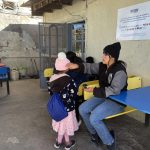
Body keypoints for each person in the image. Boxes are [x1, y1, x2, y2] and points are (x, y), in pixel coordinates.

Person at [67, 42, 127, 150]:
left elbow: (114, 90)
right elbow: (89, 67)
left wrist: (94, 90)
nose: (102, 56)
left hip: (117, 100)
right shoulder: (102, 66)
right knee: (82, 109)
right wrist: (76, 65)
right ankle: (95, 134)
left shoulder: (120, 71)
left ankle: (110, 142)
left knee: (94, 117)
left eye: (105, 54)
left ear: (112, 56)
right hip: (103, 96)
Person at [48, 52, 79, 150]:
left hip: (57, 107)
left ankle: (59, 142)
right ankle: (67, 143)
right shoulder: (69, 80)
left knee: (62, 124)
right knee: (65, 125)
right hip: (68, 108)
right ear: (66, 68)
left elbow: (50, 92)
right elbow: (74, 92)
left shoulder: (52, 78)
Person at [66, 51, 86, 122]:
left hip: (77, 91)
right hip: (84, 89)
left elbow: (70, 77)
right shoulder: (81, 63)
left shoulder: (73, 67)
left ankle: (75, 121)